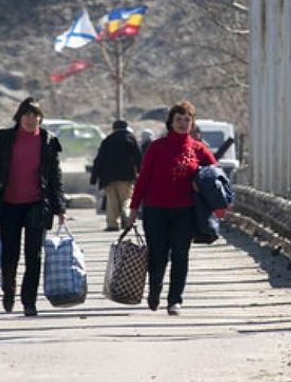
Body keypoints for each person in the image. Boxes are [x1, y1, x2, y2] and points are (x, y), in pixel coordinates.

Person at [127, 100, 216, 316]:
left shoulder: (199, 149)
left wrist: (203, 184)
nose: (183, 123)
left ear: (193, 123)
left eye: (187, 119)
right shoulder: (157, 147)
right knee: (157, 255)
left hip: (184, 211)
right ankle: (154, 290)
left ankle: (175, 300)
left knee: (180, 255)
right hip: (155, 209)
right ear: (170, 122)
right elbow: (143, 179)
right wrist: (133, 209)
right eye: (179, 119)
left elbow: (216, 175)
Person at [0, 97, 66, 317]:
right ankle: (8, 287)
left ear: (40, 117)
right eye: (26, 115)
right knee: (10, 254)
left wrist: (60, 207)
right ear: (19, 117)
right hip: (8, 205)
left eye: (35, 115)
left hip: (37, 204)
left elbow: (55, 177)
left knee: (34, 255)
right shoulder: (5, 139)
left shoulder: (48, 141)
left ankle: (29, 301)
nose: (31, 119)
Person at [90, 119, 142, 231]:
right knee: (127, 199)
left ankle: (113, 224)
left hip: (108, 176)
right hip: (126, 176)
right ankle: (127, 219)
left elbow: (99, 160)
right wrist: (141, 172)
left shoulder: (107, 140)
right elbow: (138, 158)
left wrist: (94, 177)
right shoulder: (131, 139)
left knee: (111, 200)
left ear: (114, 128)